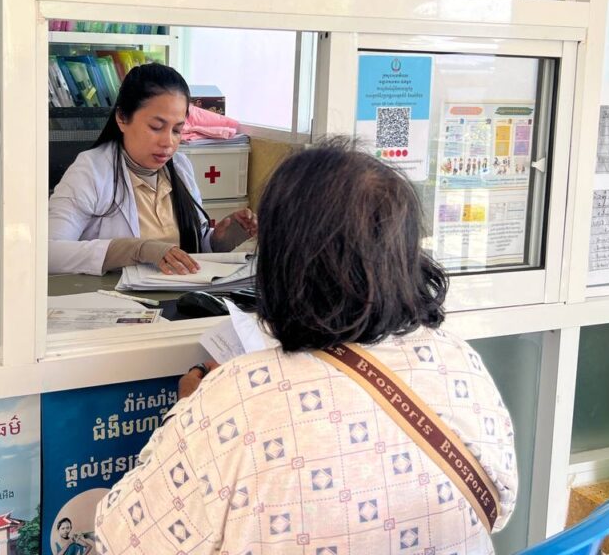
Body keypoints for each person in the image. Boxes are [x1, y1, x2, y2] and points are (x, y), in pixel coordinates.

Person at [95, 139, 518, 554]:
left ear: (282, 262)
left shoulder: (236, 399)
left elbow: (124, 540)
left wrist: (190, 413)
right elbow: (499, 508)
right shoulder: (458, 361)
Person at [48, 62, 256, 276]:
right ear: (122, 118)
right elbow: (48, 253)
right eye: (156, 127)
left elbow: (189, 249)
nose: (168, 142)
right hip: (113, 295)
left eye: (177, 130)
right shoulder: (91, 170)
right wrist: (136, 250)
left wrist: (218, 240)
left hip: (177, 292)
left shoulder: (180, 167)